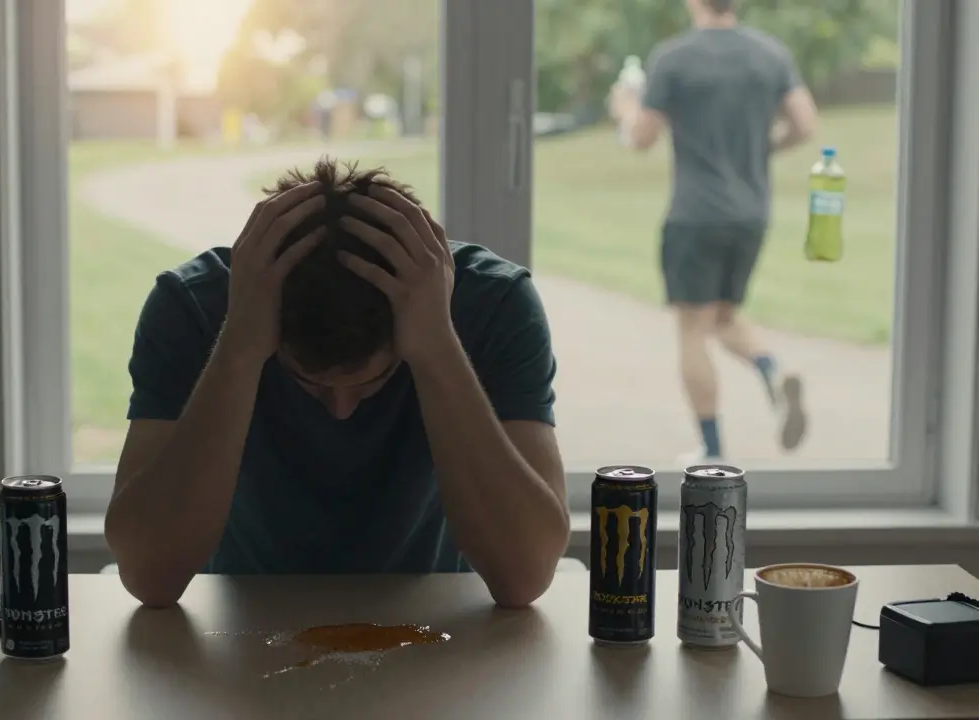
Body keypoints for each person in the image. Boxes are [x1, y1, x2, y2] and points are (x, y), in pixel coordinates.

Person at [104, 158, 570, 609]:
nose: (342, 410)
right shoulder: (192, 308)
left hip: (435, 629)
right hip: (246, 632)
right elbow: (150, 574)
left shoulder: (494, 304)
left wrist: (437, 346)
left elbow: (524, 574)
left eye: (372, 382)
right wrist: (240, 345)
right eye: (312, 384)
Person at [608, 0, 819, 462]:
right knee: (723, 316)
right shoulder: (771, 54)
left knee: (692, 329)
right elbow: (805, 124)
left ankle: (711, 448)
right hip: (751, 214)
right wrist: (764, 149)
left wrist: (625, 107)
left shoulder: (673, 58)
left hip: (695, 214)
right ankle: (773, 371)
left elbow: (641, 138)